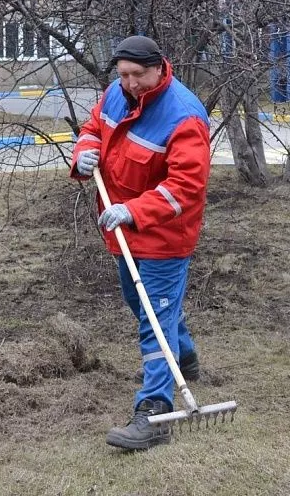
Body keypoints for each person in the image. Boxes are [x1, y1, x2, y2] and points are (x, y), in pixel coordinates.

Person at [69, 35, 212, 451]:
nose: (130, 84)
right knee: (141, 301)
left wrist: (134, 211)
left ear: (159, 67)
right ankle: (183, 356)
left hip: (164, 234)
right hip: (123, 231)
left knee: (154, 316)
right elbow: (93, 127)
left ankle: (153, 410)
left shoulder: (184, 116)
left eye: (138, 75)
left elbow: (186, 186)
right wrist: (84, 153)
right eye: (124, 75)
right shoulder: (117, 92)